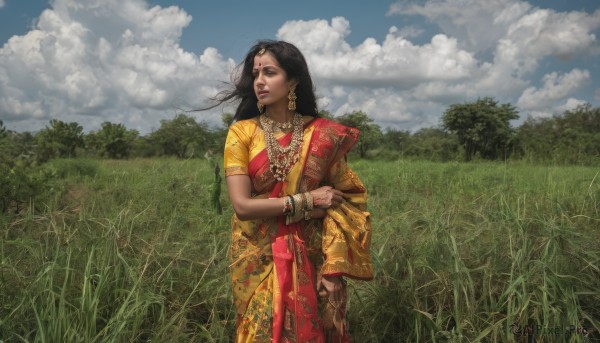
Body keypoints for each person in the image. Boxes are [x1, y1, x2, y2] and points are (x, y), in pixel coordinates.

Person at [217, 40, 373, 342]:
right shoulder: (242, 132)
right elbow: (242, 206)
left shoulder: (324, 135)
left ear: (293, 81)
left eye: (270, 72)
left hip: (314, 257)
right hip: (257, 257)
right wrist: (308, 202)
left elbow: (348, 203)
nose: (259, 81)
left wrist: (334, 268)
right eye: (255, 73)